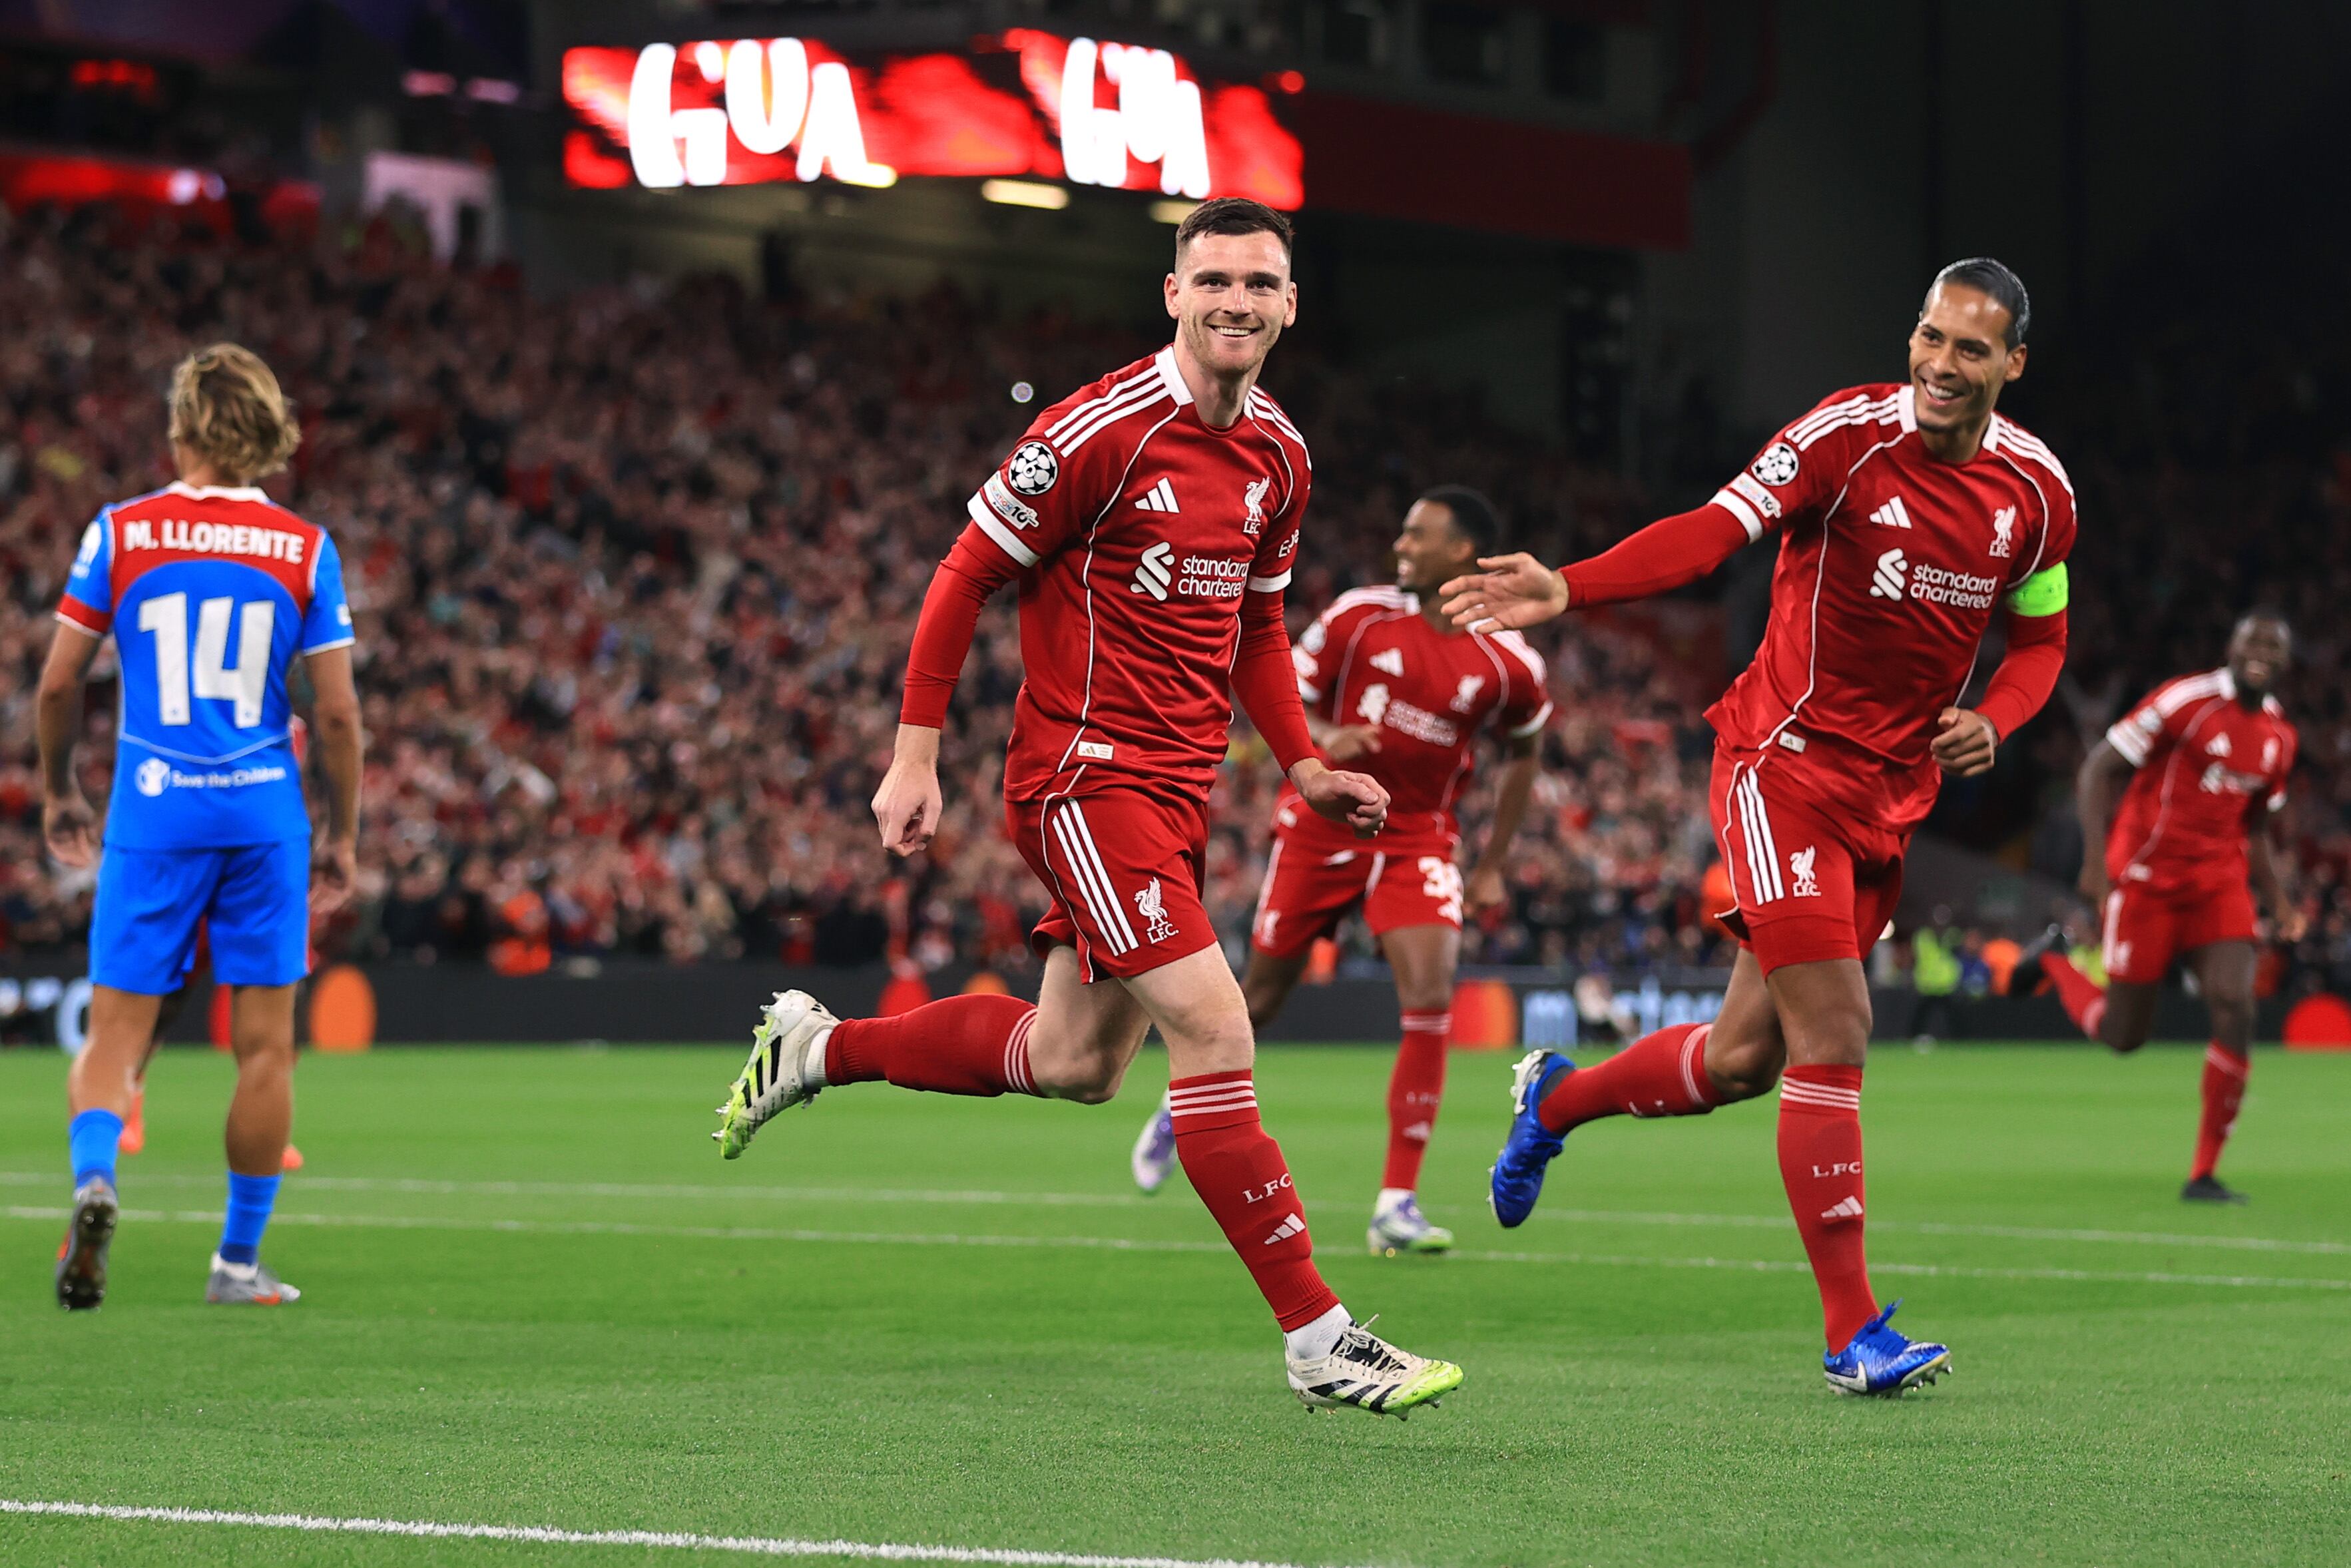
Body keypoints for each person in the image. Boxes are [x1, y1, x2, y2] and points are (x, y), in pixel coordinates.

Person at [709, 199, 1463, 1418]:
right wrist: (916, 757)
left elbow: (1259, 624)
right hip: (1082, 777)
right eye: (1210, 278)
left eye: (1257, 284)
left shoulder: (1281, 455)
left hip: (1176, 792)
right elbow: (964, 573)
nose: (1234, 301)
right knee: (1216, 1034)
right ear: (1172, 294)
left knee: (1074, 1063)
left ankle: (816, 1047)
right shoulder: (1097, 433)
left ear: (1287, 306)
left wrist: (1305, 760)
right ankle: (1319, 1336)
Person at [1443, 258, 2074, 1396]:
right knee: (1836, 1030)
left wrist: (2000, 716)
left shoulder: (2037, 498)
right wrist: (1569, 589)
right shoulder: (1842, 440)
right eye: (1929, 337)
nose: (1938, 365)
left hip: (1889, 798)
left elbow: (2042, 639)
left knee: (1741, 1061)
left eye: (1970, 349)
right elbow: (1707, 532)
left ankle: (1555, 1101)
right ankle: (1852, 1331)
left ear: (2012, 364)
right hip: (1779, 765)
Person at [1127, 487, 1551, 1258]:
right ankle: (1175, 1106)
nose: (1402, 542)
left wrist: (1492, 864)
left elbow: (1525, 751)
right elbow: (1281, 687)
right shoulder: (1360, 617)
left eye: (1418, 533)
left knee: (1429, 999)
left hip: (1417, 835)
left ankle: (1398, 1201)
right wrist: (1322, 738)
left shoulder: (1509, 660)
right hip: (1321, 827)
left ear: (1461, 552)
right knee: (1261, 997)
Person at [39, 343, 363, 1310]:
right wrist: (341, 833)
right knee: (264, 1046)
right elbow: (338, 714)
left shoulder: (123, 529)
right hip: (263, 811)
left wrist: (59, 788)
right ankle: (235, 1260)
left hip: (153, 805)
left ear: (180, 427)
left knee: (115, 1033)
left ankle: (98, 1176)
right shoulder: (305, 548)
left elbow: (61, 679)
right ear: (268, 434)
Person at [2018, 612, 2302, 1202]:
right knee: (2124, 1035)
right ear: (2232, 645)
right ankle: (2052, 963)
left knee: (2236, 1005)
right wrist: (2096, 863)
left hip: (2216, 885)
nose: (2260, 652)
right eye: (2252, 639)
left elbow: (2254, 831)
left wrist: (2277, 900)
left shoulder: (2279, 736)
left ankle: (2203, 1172)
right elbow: (2099, 767)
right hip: (2146, 878)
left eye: (2272, 646)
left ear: (2283, 661)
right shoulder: (2185, 701)